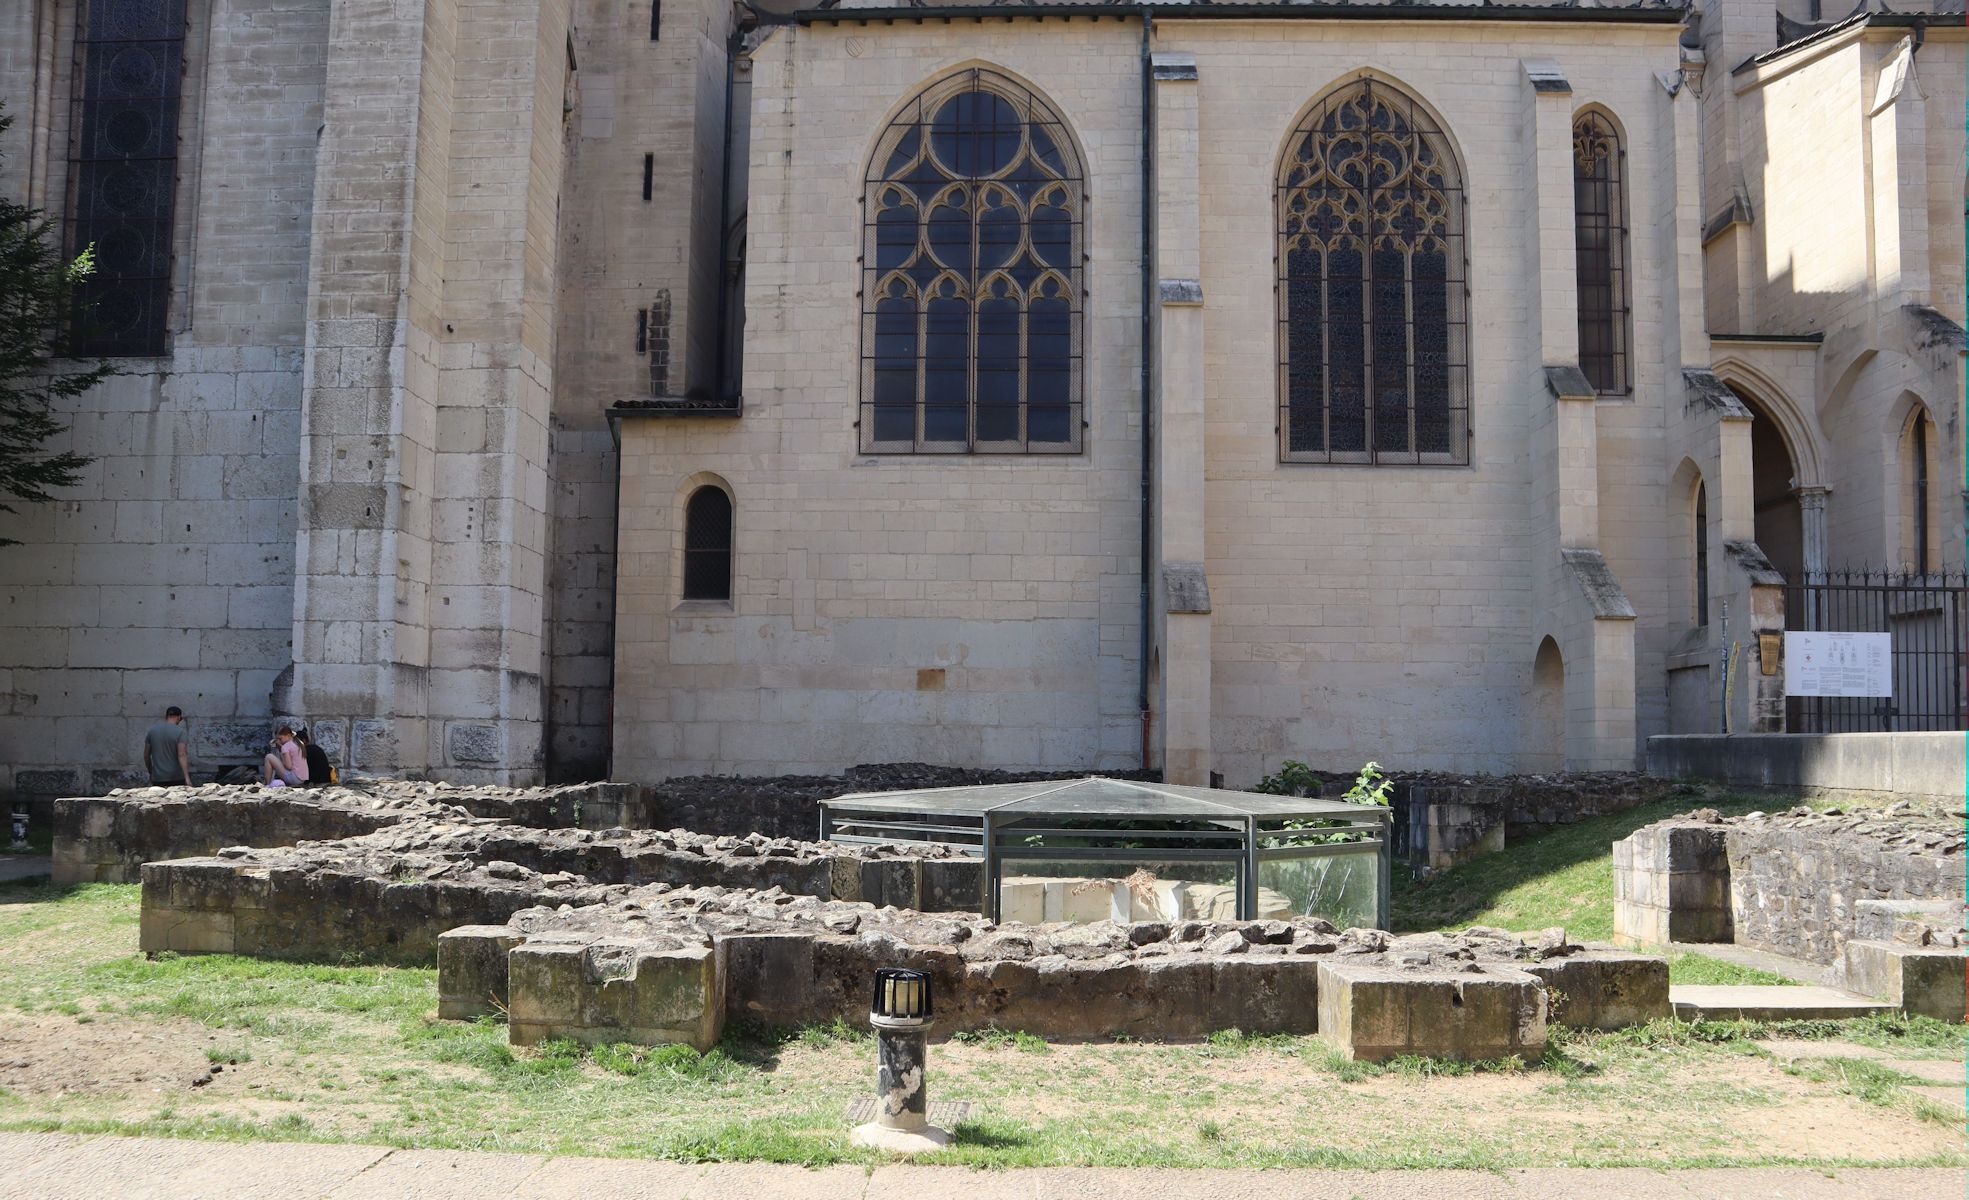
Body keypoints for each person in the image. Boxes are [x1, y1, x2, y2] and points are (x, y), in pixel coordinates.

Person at [143, 706, 193, 787]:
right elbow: (182, 754)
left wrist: (151, 772)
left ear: (166, 716)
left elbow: (146, 755)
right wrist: (187, 778)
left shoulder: (152, 731)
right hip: (176, 777)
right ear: (179, 717)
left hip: (158, 777)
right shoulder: (180, 732)